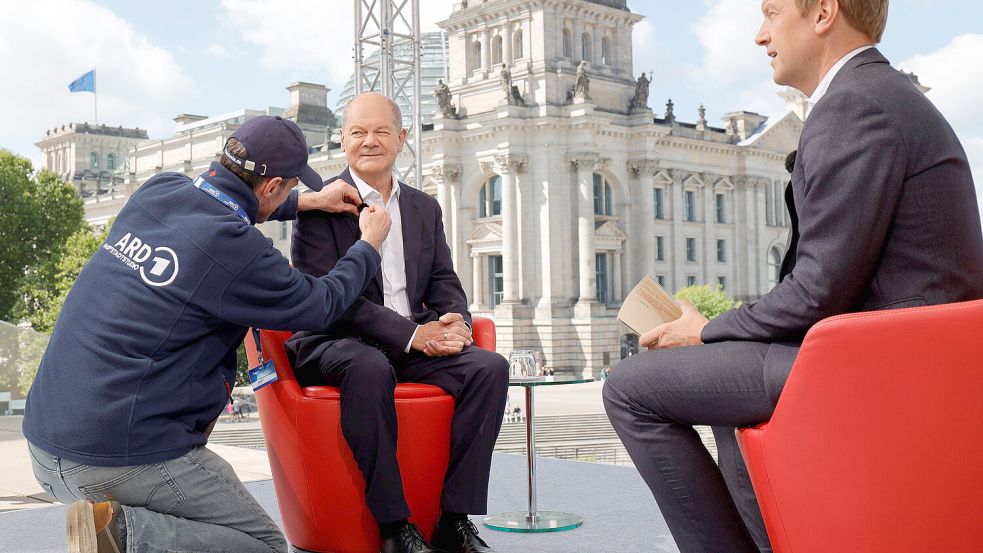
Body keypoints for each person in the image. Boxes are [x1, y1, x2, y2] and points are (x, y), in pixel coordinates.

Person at [602, 1, 983, 553]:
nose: (760, 35)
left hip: (874, 364)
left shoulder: (854, 106)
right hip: (904, 355)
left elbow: (819, 289)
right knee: (719, 387)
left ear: (823, 12)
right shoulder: (884, 95)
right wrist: (722, 333)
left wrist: (703, 330)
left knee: (630, 388)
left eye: (773, 12)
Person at [22, 115, 393, 553]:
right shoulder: (236, 249)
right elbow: (322, 303)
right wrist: (368, 244)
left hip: (45, 446)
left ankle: (116, 527)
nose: (292, 193)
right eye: (290, 186)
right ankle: (123, 534)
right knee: (263, 545)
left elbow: (227, 199)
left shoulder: (159, 191)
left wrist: (307, 202)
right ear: (272, 186)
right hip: (116, 456)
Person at [287, 92, 509, 553]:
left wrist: (455, 321)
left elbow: (444, 278)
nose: (369, 141)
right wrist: (412, 335)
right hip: (337, 340)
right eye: (358, 132)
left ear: (402, 139)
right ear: (344, 140)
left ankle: (454, 519)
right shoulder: (320, 205)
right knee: (369, 366)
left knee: (489, 368)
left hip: (411, 344)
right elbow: (333, 300)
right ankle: (394, 527)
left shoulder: (425, 208)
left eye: (381, 131)